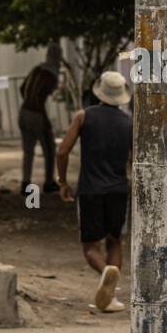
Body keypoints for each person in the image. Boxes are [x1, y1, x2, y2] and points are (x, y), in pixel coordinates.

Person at [57, 71, 133, 313]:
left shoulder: (83, 116)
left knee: (90, 246)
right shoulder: (129, 123)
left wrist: (62, 181)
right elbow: (135, 159)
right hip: (119, 190)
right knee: (115, 241)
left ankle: (104, 274)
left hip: (90, 189)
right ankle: (111, 294)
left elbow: (62, 151)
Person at [19, 44, 64, 194]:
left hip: (23, 112)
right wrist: (43, 119)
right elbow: (39, 98)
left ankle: (26, 183)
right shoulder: (51, 74)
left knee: (28, 151)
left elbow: (22, 88)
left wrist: (28, 102)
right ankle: (49, 182)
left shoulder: (37, 69)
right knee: (49, 149)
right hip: (36, 114)